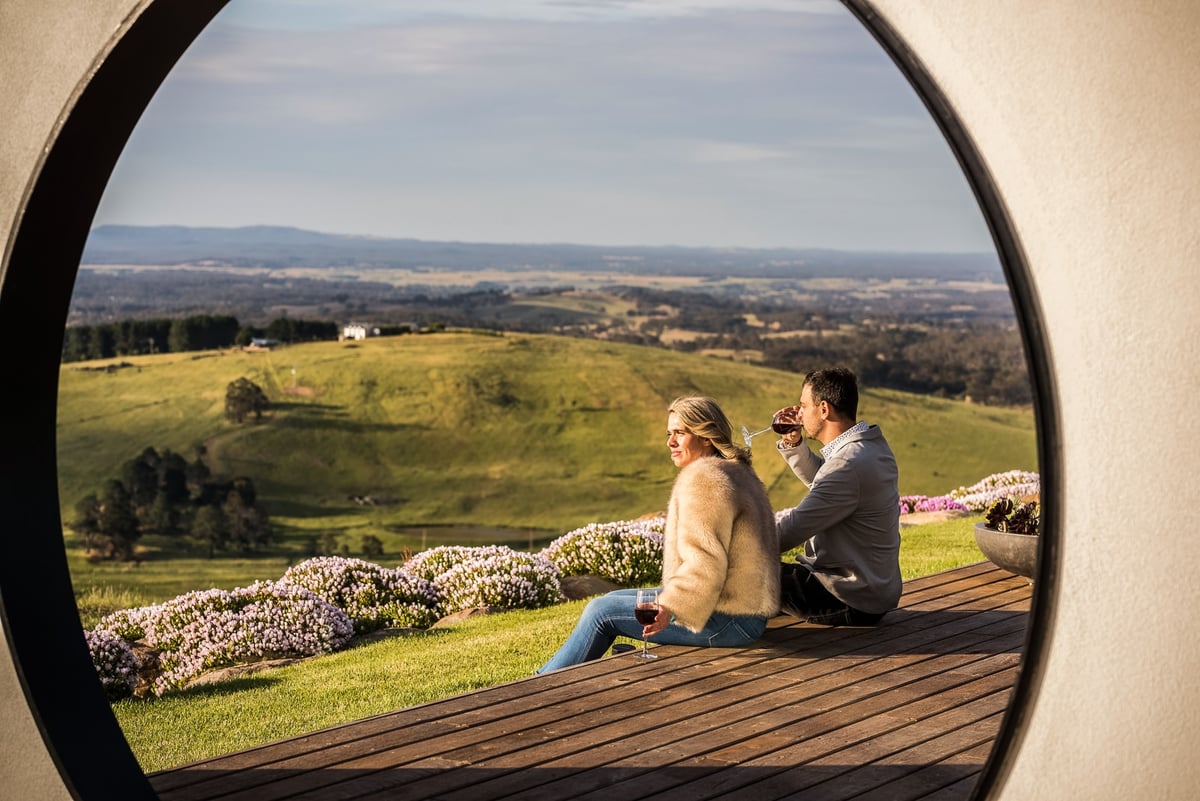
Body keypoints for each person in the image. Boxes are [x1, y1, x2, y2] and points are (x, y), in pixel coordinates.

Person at [537, 396, 780, 673]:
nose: (670, 442)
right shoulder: (733, 471)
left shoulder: (707, 480)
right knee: (605, 601)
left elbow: (706, 563)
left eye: (680, 433)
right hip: (737, 609)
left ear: (705, 437)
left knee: (600, 614)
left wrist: (670, 608)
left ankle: (536, 686)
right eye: (669, 433)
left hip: (729, 619)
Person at [773, 367, 902, 626]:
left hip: (848, 596)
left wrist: (737, 549)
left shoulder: (847, 465)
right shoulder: (870, 446)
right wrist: (794, 444)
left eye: (803, 405)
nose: (799, 413)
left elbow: (793, 529)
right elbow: (828, 483)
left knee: (744, 573)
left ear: (823, 409)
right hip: (873, 590)